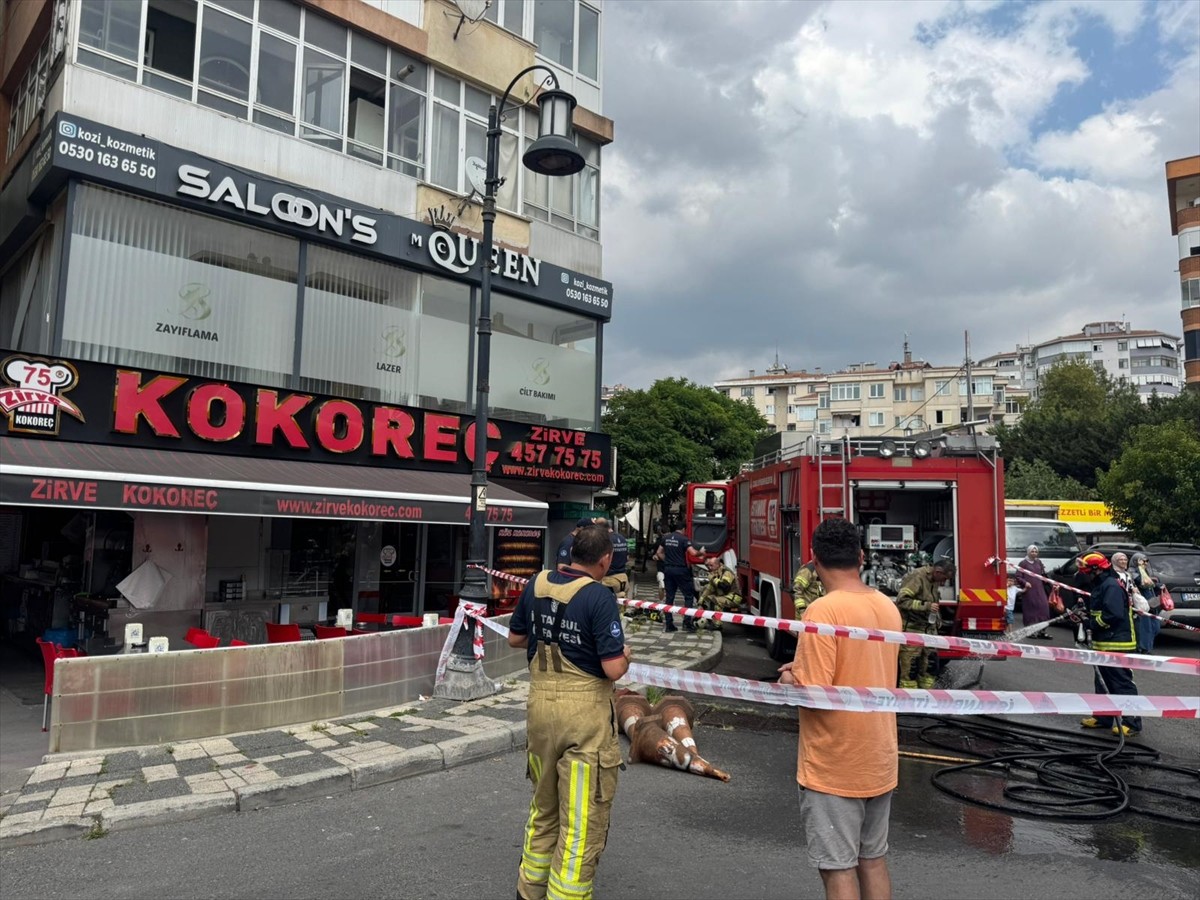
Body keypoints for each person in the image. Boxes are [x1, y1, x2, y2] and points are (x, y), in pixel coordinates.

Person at [777, 517, 901, 900]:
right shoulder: (886, 606)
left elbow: (815, 694)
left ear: (813, 561)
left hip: (836, 764)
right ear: (861, 557)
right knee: (873, 859)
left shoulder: (822, 612)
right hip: (879, 757)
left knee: (838, 869)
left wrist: (789, 679)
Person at [507, 525, 632, 900]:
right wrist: (626, 657)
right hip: (584, 718)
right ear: (605, 560)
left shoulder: (537, 583)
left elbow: (516, 639)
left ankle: (529, 890)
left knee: (543, 807)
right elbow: (612, 669)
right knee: (580, 822)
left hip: (540, 712)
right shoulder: (598, 597)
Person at [1075, 552, 1142, 737]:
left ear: (1096, 570)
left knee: (1121, 683)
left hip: (1117, 643)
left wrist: (1091, 624)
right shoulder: (1101, 584)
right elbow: (1099, 609)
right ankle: (1103, 717)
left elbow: (1113, 614)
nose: (1085, 575)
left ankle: (1132, 722)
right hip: (1104, 642)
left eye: (1087, 572)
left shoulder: (1110, 586)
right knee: (1102, 682)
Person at [655, 524, 700, 633]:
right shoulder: (684, 539)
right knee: (688, 596)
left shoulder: (665, 538)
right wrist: (702, 552)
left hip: (668, 570)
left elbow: (659, 552)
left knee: (669, 597)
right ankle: (687, 623)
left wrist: (667, 561)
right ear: (683, 529)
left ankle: (669, 624)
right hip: (681, 571)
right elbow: (693, 553)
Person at [696, 555, 742, 629]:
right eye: (708, 565)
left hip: (733, 597)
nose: (710, 568)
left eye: (711, 565)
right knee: (708, 597)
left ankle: (717, 625)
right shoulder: (716, 571)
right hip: (726, 595)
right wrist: (700, 602)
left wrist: (713, 579)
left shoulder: (726, 572)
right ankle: (708, 620)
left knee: (716, 601)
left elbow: (725, 586)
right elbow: (709, 588)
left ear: (717, 564)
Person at [1016, 545, 1052, 639]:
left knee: (1044, 609)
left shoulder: (1039, 562)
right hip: (1029, 591)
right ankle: (1029, 631)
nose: (1034, 553)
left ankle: (1042, 631)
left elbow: (1043, 574)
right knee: (1030, 611)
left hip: (1040, 590)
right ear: (1028, 552)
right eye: (1032, 551)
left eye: (1036, 552)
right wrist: (1025, 582)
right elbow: (1018, 576)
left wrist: (1051, 583)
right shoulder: (1023, 563)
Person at [1130, 552, 1162, 654]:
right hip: (1142, 604)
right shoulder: (1132, 572)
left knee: (1155, 627)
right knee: (1145, 627)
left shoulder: (1144, 571)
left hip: (1151, 603)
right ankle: (1143, 648)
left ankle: (1147, 647)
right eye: (1143, 561)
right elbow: (1143, 583)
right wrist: (1153, 582)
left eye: (1146, 561)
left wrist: (1157, 584)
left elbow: (1150, 584)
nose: (1145, 563)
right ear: (1136, 561)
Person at [600, 521, 629, 600]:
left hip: (609, 580)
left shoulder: (605, 540)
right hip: (623, 578)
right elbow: (627, 557)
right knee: (621, 608)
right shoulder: (622, 538)